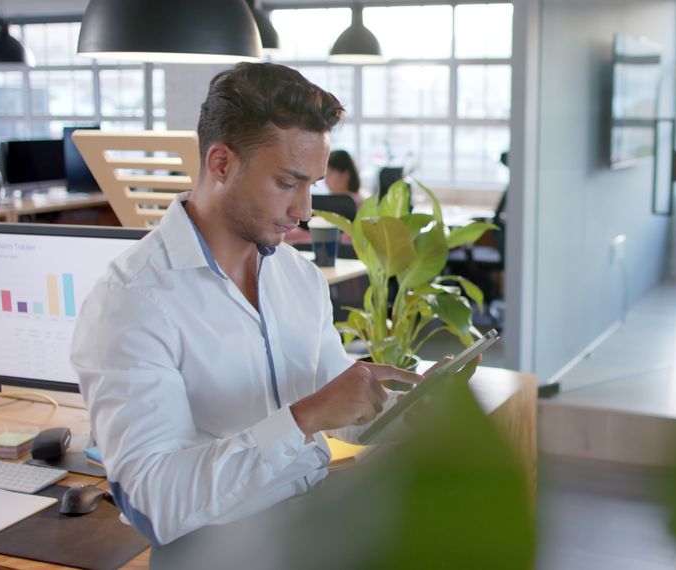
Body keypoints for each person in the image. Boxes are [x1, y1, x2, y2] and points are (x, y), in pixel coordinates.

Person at [70, 62, 422, 547]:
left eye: (312, 185)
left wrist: (415, 411)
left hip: (307, 524)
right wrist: (304, 418)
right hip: (213, 552)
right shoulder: (130, 302)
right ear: (220, 164)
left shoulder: (298, 277)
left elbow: (339, 404)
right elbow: (153, 503)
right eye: (286, 183)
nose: (305, 210)